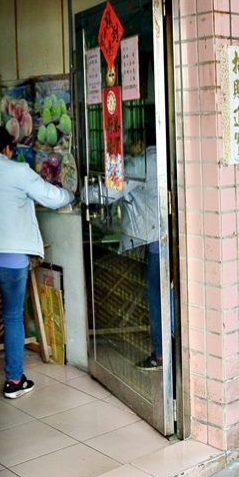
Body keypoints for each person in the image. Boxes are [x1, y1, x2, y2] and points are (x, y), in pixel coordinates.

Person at [0, 125, 74, 399]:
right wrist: (71, 194)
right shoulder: (17, 170)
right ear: (7, 149)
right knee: (13, 316)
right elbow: (52, 198)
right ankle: (14, 381)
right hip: (12, 259)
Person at [88, 123, 165, 370]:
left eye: (131, 143)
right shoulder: (167, 156)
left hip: (154, 239)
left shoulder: (143, 162)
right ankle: (170, 349)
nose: (129, 150)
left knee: (156, 298)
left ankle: (160, 354)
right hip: (167, 236)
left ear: (141, 142)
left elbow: (109, 192)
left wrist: (80, 193)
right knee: (168, 297)